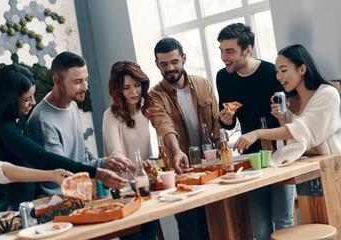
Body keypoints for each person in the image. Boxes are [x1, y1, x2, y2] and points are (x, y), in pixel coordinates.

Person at [0, 64, 128, 211]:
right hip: (4, 208)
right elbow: (41, 156)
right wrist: (96, 172)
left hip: (25, 202)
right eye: (27, 99)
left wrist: (99, 165)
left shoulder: (18, 116)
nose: (33, 102)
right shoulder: (5, 128)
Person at [216, 23, 293, 240]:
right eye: (221, 50)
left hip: (280, 155)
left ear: (247, 50)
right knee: (259, 228)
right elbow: (229, 125)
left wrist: (282, 114)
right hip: (250, 159)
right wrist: (226, 120)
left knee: (283, 222)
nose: (224, 57)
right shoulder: (223, 77)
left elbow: (291, 118)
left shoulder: (271, 73)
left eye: (230, 51)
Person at [28, 52, 131, 196]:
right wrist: (99, 167)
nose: (85, 87)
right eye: (78, 82)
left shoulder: (71, 104)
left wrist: (103, 163)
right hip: (59, 199)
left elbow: (80, 146)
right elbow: (62, 170)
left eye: (86, 80)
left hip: (80, 192)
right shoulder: (43, 120)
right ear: (57, 81)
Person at [148, 37, 220, 240]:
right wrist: (177, 150)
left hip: (209, 168)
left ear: (184, 58)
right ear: (157, 65)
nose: (170, 68)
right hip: (180, 173)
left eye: (174, 62)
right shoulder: (154, 96)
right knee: (190, 231)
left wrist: (220, 148)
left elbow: (215, 121)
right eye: (164, 64)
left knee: (213, 227)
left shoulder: (202, 83)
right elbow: (164, 125)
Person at [234, 44, 341, 155]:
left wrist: (257, 134)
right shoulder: (290, 103)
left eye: (283, 70)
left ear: (302, 69)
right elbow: (293, 146)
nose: (278, 76)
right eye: (277, 71)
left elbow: (303, 131)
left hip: (332, 167)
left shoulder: (328, 94)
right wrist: (283, 120)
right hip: (306, 168)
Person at [103, 60, 158, 240]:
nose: (134, 92)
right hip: (123, 191)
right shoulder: (111, 115)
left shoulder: (145, 111)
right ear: (118, 89)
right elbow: (116, 153)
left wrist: (150, 166)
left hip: (143, 186)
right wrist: (138, 165)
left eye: (137, 85)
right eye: (127, 88)